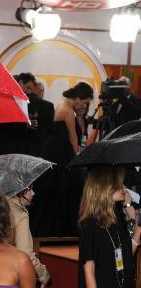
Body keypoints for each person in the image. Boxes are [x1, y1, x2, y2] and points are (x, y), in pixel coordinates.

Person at [38, 81, 94, 236]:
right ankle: (58, 229)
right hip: (58, 154)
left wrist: (82, 115)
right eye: (84, 102)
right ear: (79, 98)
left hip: (62, 153)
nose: (84, 106)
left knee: (66, 190)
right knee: (60, 191)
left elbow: (82, 130)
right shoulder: (67, 108)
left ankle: (65, 227)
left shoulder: (73, 109)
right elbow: (73, 135)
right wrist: (78, 158)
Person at [8, 185, 50, 288]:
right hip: (13, 277)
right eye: (29, 189)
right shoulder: (20, 215)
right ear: (20, 191)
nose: (33, 193)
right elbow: (26, 253)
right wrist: (43, 274)